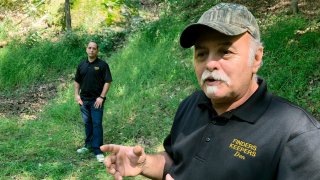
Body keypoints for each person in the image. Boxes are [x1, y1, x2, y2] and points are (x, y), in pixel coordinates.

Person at [100, 3, 320, 179]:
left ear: (256, 58)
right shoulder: (190, 105)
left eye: (225, 52)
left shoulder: (297, 136)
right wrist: (145, 163)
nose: (210, 64)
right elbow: (177, 162)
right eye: (202, 54)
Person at [74, 41, 112, 162]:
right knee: (87, 123)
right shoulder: (81, 65)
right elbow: (77, 81)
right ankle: (88, 145)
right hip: (84, 101)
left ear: (97, 51)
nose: (91, 50)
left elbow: (108, 81)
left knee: (96, 124)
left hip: (96, 101)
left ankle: (98, 150)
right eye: (89, 48)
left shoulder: (102, 65)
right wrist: (77, 95)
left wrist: (101, 97)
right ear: (86, 49)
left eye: (94, 48)